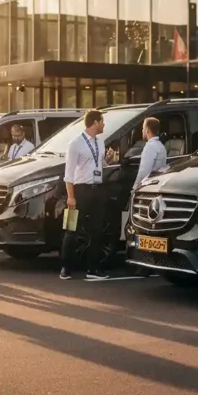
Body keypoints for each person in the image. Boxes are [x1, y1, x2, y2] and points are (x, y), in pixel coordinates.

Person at [60, 109, 117, 281]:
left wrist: (108, 160)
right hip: (80, 190)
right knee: (71, 229)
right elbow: (68, 174)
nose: (104, 125)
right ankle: (65, 268)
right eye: (102, 121)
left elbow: (98, 164)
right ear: (95, 122)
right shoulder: (75, 143)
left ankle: (93, 269)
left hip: (97, 189)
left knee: (96, 231)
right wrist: (71, 196)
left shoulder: (100, 142)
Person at [132, 117, 167, 190]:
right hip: (157, 184)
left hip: (147, 186)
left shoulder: (150, 146)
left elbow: (144, 172)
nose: (142, 131)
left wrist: (135, 187)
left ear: (147, 130)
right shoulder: (161, 146)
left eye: (143, 128)